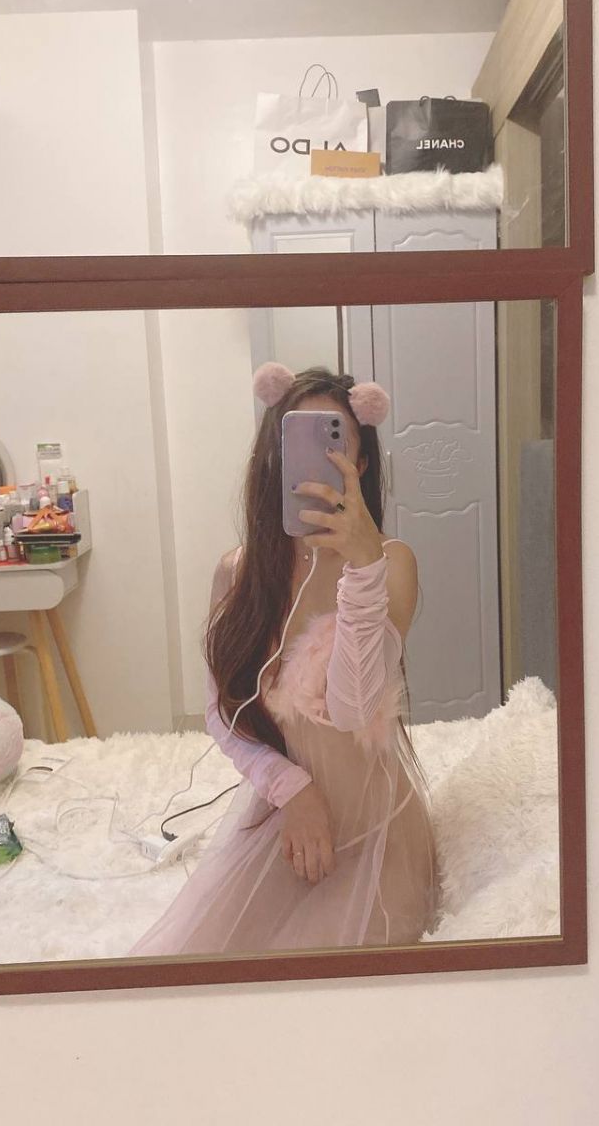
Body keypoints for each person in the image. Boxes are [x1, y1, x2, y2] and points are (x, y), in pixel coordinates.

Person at [130, 363, 437, 957]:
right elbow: (222, 711)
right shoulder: (239, 572)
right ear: (273, 456)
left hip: (376, 831)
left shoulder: (391, 563)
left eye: (334, 440)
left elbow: (353, 709)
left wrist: (363, 569)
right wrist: (293, 792)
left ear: (361, 462)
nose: (315, 460)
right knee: (200, 966)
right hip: (288, 814)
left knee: (329, 978)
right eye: (296, 441)